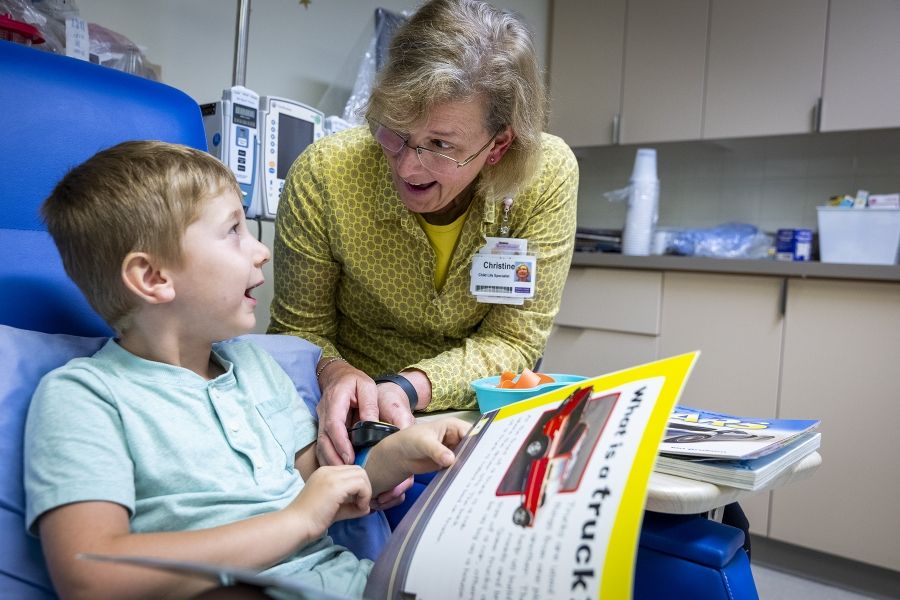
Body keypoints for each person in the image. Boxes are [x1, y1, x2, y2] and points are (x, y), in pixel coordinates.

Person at [24, 140, 469, 599]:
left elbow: (307, 486)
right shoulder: (86, 397)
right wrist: (296, 522)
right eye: (233, 230)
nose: (261, 251)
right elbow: (90, 576)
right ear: (153, 278)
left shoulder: (254, 366)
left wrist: (395, 457)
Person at [270, 0, 579, 470]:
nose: (407, 166)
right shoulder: (327, 175)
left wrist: (409, 386)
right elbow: (298, 332)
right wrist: (336, 374)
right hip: (352, 420)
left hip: (474, 422)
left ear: (498, 146)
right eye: (394, 131)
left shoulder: (544, 177)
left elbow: (514, 343)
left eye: (440, 146)